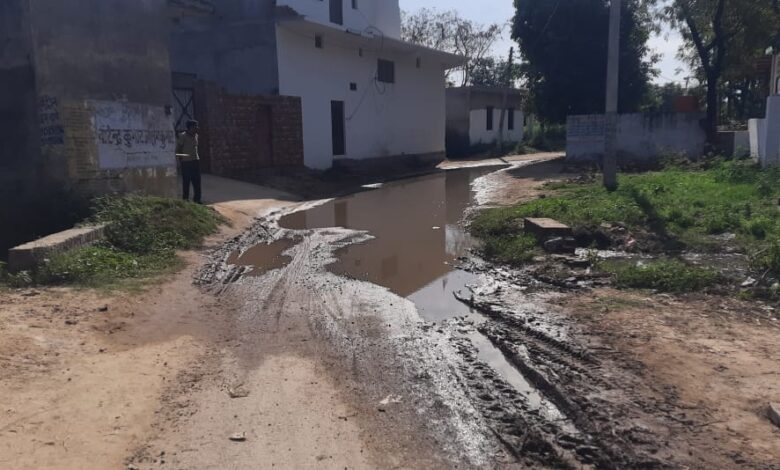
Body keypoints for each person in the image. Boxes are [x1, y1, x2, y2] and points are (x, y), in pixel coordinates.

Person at [176, 120, 202, 204]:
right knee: (186, 182)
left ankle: (197, 200)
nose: (197, 128)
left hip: (195, 161)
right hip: (186, 162)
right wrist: (181, 160)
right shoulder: (183, 136)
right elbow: (178, 149)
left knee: (197, 181)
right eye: (195, 127)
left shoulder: (196, 135)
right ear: (190, 127)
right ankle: (185, 200)